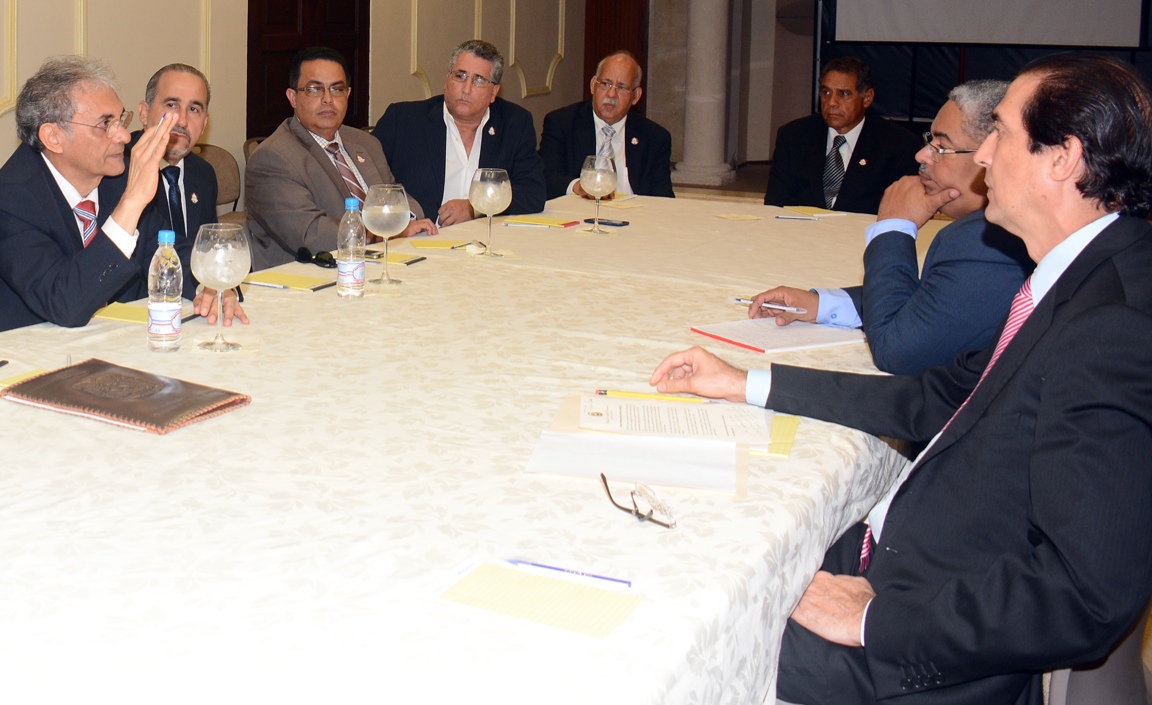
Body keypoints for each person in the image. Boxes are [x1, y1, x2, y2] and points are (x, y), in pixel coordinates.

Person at [651, 53, 1152, 704]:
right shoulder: (1076, 272)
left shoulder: (1112, 324)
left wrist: (874, 620)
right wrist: (746, 383)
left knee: (674, 635)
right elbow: (937, 397)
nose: (982, 155)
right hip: (909, 560)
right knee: (709, 541)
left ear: (1063, 158)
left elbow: (1086, 595)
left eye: (1000, 133)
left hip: (926, 644)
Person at [752, 81, 1032, 375]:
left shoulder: (984, 242)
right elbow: (934, 303)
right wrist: (821, 304)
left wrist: (893, 226)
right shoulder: (995, 231)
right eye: (929, 141)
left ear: (991, 156)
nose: (922, 156)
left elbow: (896, 351)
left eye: (941, 146)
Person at [0, 56, 234, 333]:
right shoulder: (11, 198)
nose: (123, 136)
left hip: (114, 341)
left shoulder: (116, 178)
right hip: (35, 351)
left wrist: (210, 282)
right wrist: (131, 203)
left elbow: (166, 251)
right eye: (105, 124)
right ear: (53, 137)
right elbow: (65, 302)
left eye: (121, 119)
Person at [246, 47, 435, 271]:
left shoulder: (366, 143)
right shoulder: (272, 158)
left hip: (381, 264)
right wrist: (387, 230)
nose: (328, 99)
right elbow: (310, 234)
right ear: (293, 97)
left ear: (348, 94)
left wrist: (406, 220)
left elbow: (397, 197)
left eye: (337, 89)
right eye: (315, 89)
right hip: (314, 275)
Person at [371, 39, 546, 224]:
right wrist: (403, 225)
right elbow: (365, 180)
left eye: (479, 80)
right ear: (447, 79)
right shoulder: (403, 120)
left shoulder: (514, 123)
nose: (466, 89)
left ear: (494, 92)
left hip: (485, 236)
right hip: (421, 236)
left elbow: (533, 192)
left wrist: (475, 208)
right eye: (460, 76)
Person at [132, 63, 246, 324]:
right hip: (137, 316)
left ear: (204, 123)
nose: (182, 121)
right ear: (144, 113)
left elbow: (207, 249)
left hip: (191, 311)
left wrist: (216, 285)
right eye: (171, 105)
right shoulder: (120, 169)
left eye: (194, 109)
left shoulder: (202, 173)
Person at [764, 57, 921, 214]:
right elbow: (776, 203)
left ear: (867, 98)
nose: (831, 102)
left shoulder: (898, 145)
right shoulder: (794, 137)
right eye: (826, 92)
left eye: (844, 94)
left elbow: (900, 212)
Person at [538, 51, 674, 200]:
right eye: (605, 84)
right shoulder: (562, 123)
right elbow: (545, 177)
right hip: (579, 211)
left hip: (635, 212)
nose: (611, 94)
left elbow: (663, 199)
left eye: (621, 87)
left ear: (636, 96)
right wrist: (578, 186)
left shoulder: (655, 138)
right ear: (593, 85)